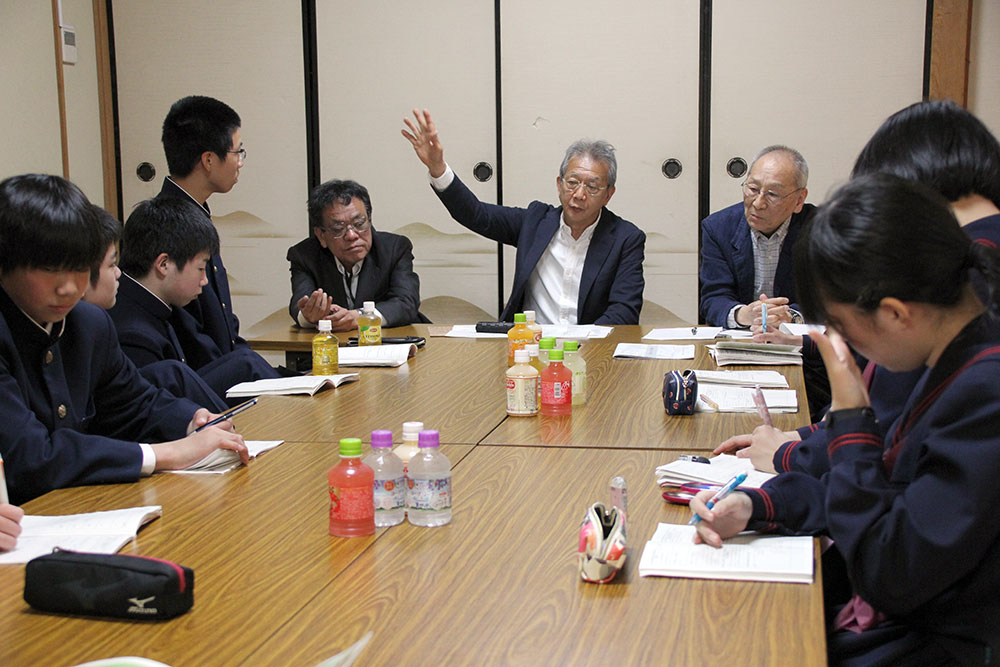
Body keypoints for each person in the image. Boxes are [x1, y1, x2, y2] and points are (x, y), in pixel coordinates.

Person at [691, 174, 1000, 664]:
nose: (840, 341)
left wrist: (853, 415)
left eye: (840, 325)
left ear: (896, 314)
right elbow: (887, 500)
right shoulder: (946, 355)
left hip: (923, 639)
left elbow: (890, 566)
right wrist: (761, 507)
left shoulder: (984, 393)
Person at [729, 100, 1000, 475]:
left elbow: (885, 422)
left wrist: (791, 453)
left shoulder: (963, 268)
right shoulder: (975, 247)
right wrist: (804, 437)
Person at [0, 174, 248, 505]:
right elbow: (32, 458)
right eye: (48, 270)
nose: (69, 288)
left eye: (77, 268)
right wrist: (165, 454)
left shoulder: (89, 324)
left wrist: (192, 420)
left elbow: (135, 402)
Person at [402, 108, 645, 325]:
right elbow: (475, 214)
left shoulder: (626, 239)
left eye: (592, 187)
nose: (579, 194)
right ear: (559, 185)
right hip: (530, 351)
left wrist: (579, 346)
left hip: (590, 355)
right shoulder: (535, 222)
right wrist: (437, 168)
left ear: (608, 195)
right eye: (572, 182)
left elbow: (624, 311)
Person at [157, 95, 279, 378]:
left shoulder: (196, 213)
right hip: (201, 386)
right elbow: (187, 329)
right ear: (209, 160)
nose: (240, 162)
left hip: (225, 366)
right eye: (237, 152)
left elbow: (221, 320)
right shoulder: (172, 225)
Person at [111, 198, 274, 406]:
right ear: (163, 264)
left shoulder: (157, 304)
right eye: (200, 269)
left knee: (245, 361)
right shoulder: (133, 333)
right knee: (246, 364)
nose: (205, 281)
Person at [85, 206, 227, 412]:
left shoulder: (163, 306)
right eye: (111, 265)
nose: (118, 273)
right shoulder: (131, 332)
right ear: (163, 264)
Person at [287, 179, 428, 331]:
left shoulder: (394, 248)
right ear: (321, 235)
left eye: (359, 224)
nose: (352, 235)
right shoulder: (304, 256)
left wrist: (359, 318)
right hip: (335, 346)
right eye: (338, 228)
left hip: (394, 343)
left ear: (369, 219)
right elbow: (300, 305)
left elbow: (406, 303)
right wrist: (310, 315)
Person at [699, 145, 814, 329]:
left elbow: (832, 300)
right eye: (753, 188)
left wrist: (790, 317)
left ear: (799, 200)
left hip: (800, 347)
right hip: (740, 341)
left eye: (773, 194)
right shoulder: (718, 228)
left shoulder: (822, 230)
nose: (758, 203)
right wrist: (742, 314)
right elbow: (713, 299)